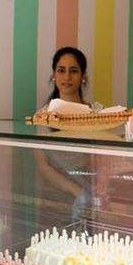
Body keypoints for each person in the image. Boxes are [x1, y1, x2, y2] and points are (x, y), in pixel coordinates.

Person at [35, 47, 92, 226]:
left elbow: (101, 158)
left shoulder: (96, 113)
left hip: (90, 199)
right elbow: (43, 167)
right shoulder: (43, 116)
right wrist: (77, 191)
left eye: (73, 71)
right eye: (61, 70)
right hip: (55, 200)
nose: (66, 77)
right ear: (54, 75)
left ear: (83, 76)